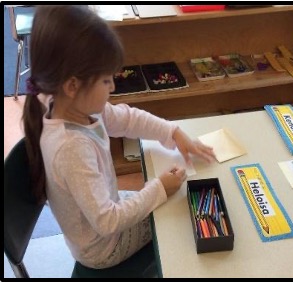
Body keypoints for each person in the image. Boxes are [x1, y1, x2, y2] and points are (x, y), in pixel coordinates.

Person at [22, 5, 216, 270]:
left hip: (103, 212)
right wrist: (159, 188)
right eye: (106, 81)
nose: (113, 87)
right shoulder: (71, 148)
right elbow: (108, 221)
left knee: (167, 196)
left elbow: (127, 118)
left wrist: (173, 132)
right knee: (178, 216)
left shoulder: (67, 101)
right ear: (72, 85)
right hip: (103, 248)